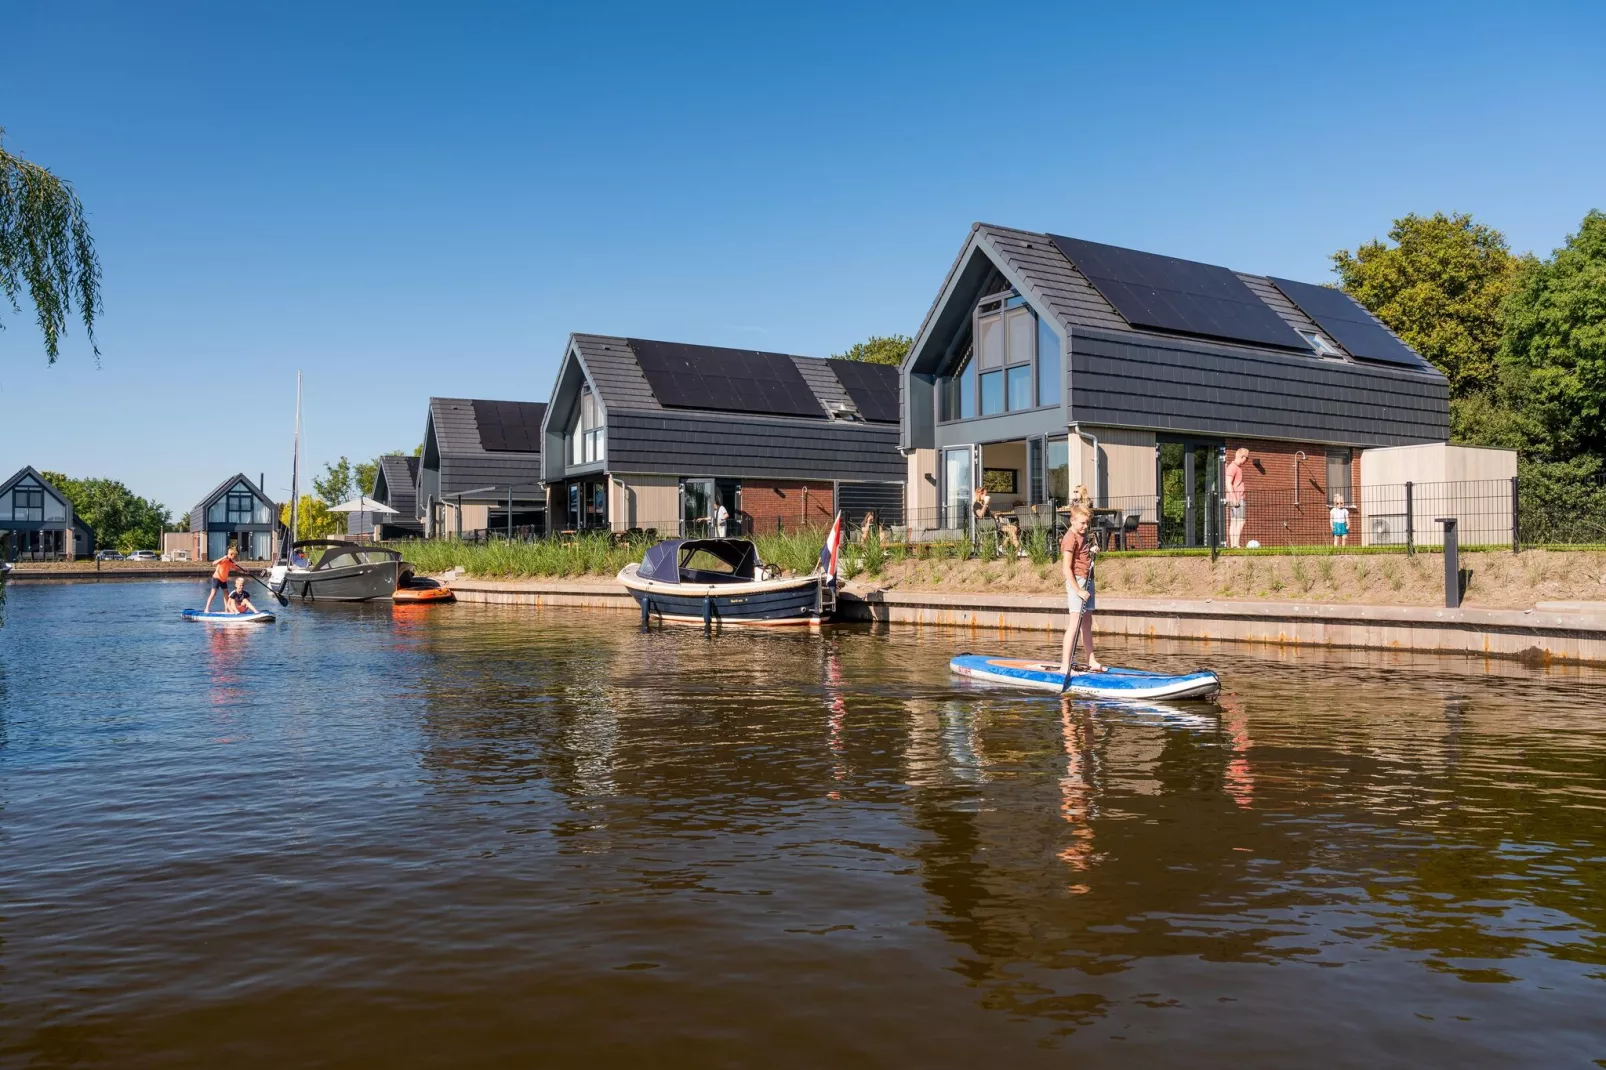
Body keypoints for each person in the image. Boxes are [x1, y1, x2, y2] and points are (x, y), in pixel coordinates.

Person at [1057, 504, 1106, 676]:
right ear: (1072, 521)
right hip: (1077, 582)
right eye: (1083, 523)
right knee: (1075, 624)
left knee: (1087, 624)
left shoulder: (1081, 535)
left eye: (1087, 523)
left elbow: (1082, 557)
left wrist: (1092, 550)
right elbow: (1066, 569)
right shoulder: (1070, 538)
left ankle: (1091, 660)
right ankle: (1065, 665)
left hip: (1088, 580)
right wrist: (1078, 590)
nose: (1086, 527)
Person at [204, 546, 250, 612]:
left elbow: (237, 570)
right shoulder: (224, 560)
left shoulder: (231, 562)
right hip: (217, 577)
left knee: (226, 594)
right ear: (230, 555)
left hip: (224, 579)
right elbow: (214, 563)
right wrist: (223, 557)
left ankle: (227, 609)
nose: (235, 558)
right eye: (234, 557)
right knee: (213, 593)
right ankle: (206, 609)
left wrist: (245, 572)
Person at [1225, 447, 1249, 549]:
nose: (1247, 461)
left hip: (1236, 498)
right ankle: (1235, 544)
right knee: (1240, 521)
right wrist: (1234, 498)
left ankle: (1234, 545)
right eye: (1247, 458)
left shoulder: (1237, 467)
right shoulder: (1233, 467)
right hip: (1236, 498)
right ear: (1242, 456)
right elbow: (1228, 483)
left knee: (1235, 521)